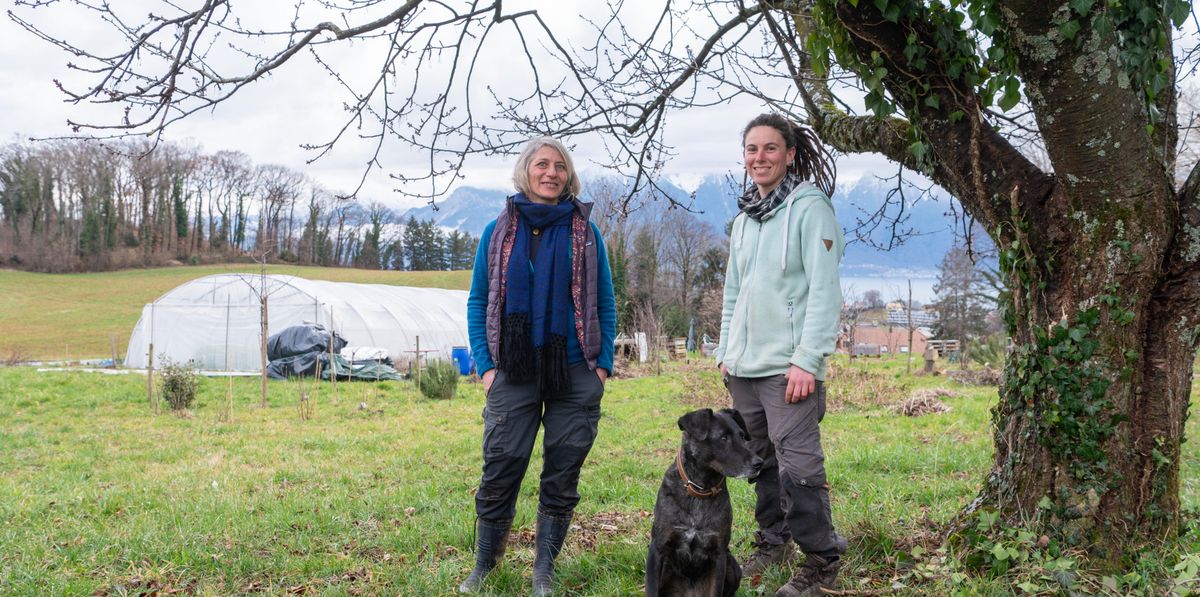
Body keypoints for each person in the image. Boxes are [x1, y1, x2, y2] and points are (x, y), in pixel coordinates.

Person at [459, 137, 617, 596]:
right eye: (542, 164)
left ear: (569, 176)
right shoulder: (497, 231)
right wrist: (486, 368)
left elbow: (604, 301)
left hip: (574, 372)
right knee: (501, 466)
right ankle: (485, 565)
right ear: (525, 171)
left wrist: (601, 367)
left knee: (562, 473)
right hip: (512, 370)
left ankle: (543, 572)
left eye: (560, 166)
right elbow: (478, 301)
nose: (551, 172)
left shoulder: (586, 233)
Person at [714, 113, 847, 597]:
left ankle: (821, 565)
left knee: (800, 467)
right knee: (760, 461)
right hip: (744, 369)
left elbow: (824, 291)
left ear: (790, 153)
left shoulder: (809, 209)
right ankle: (774, 540)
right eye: (752, 149)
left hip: (788, 369)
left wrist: (807, 359)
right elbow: (734, 292)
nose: (759, 158)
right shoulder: (745, 219)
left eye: (770, 149)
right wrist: (726, 353)